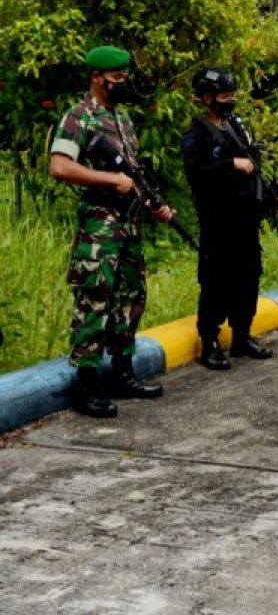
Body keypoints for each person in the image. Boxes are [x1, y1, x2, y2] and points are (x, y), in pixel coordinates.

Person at [48, 45, 173, 417]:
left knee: (130, 300)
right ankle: (87, 387)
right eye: (116, 78)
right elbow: (60, 167)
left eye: (125, 78)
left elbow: (131, 178)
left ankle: (123, 374)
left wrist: (155, 206)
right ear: (96, 78)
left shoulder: (123, 120)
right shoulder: (78, 118)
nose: (122, 84)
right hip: (99, 227)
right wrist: (109, 179)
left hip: (129, 225)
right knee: (95, 300)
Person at [182, 68, 278, 371]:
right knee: (216, 281)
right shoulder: (197, 134)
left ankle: (242, 336)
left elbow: (254, 167)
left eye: (232, 96)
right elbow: (196, 175)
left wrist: (274, 201)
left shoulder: (237, 127)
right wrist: (229, 165)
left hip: (246, 218)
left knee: (248, 277)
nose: (230, 101)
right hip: (218, 221)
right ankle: (211, 343)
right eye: (224, 96)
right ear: (207, 97)